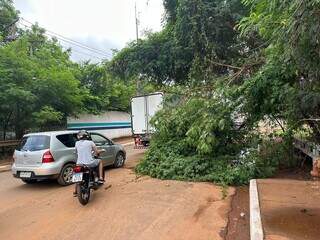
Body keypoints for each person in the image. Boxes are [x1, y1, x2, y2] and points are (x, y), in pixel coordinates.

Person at [74, 130, 105, 196]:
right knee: (100, 161)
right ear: (87, 136)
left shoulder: (76, 143)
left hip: (79, 163)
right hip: (89, 163)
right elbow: (96, 152)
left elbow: (76, 152)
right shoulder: (91, 142)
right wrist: (102, 150)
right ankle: (101, 178)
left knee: (77, 174)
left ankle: (75, 191)